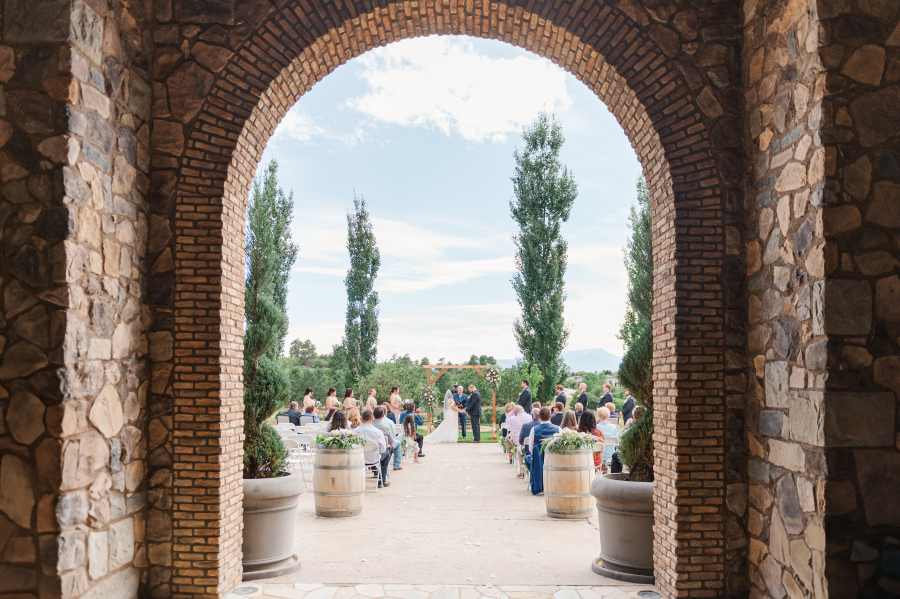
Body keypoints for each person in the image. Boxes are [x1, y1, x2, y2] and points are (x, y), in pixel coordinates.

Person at [524, 408, 560, 495]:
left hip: (537, 459)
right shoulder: (558, 429)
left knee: (527, 458)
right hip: (553, 459)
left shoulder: (534, 429)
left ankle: (536, 476)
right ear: (550, 416)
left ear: (539, 417)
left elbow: (530, 448)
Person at [356, 409, 391, 487]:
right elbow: (383, 449)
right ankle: (381, 480)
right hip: (374, 459)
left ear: (361, 419)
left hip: (358, 458)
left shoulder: (354, 431)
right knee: (386, 455)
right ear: (372, 419)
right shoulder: (378, 432)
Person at [373, 406, 402, 471]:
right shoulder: (388, 424)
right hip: (383, 449)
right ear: (384, 414)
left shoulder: (370, 424)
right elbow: (392, 440)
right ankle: (396, 465)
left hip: (370, 451)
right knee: (398, 443)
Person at [516, 408, 541, 478]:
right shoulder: (543, 425)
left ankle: (522, 471)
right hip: (542, 452)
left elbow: (520, 441)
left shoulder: (525, 426)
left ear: (532, 415)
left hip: (528, 451)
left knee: (518, 449)